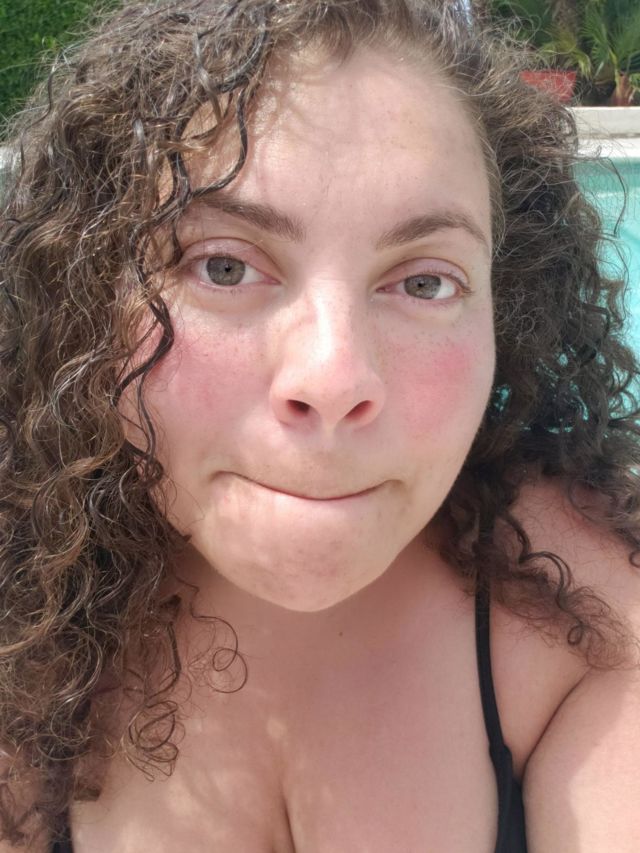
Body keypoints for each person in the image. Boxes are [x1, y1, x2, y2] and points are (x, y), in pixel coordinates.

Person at [1, 0, 639, 850]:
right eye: (224, 266)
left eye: (423, 282)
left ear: (507, 310)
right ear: (84, 302)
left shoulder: (590, 619)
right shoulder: (22, 626)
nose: (334, 378)